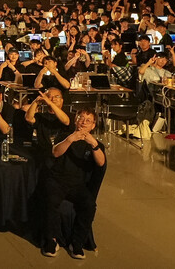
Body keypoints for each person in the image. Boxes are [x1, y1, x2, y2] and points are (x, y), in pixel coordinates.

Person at [42, 109, 106, 260]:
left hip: (78, 184)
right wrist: (71, 139)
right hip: (57, 179)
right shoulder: (65, 136)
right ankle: (51, 240)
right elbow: (55, 152)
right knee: (50, 200)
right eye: (81, 118)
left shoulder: (95, 144)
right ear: (76, 121)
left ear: (93, 126)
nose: (84, 122)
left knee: (89, 205)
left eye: (88, 120)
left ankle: (77, 243)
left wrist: (93, 144)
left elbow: (101, 162)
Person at [25, 87, 72, 155]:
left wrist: (50, 103)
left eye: (56, 96)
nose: (53, 99)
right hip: (43, 152)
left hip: (62, 153)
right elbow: (28, 118)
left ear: (62, 100)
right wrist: (36, 101)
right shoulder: (41, 116)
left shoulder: (68, 115)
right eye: (49, 97)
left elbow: (66, 121)